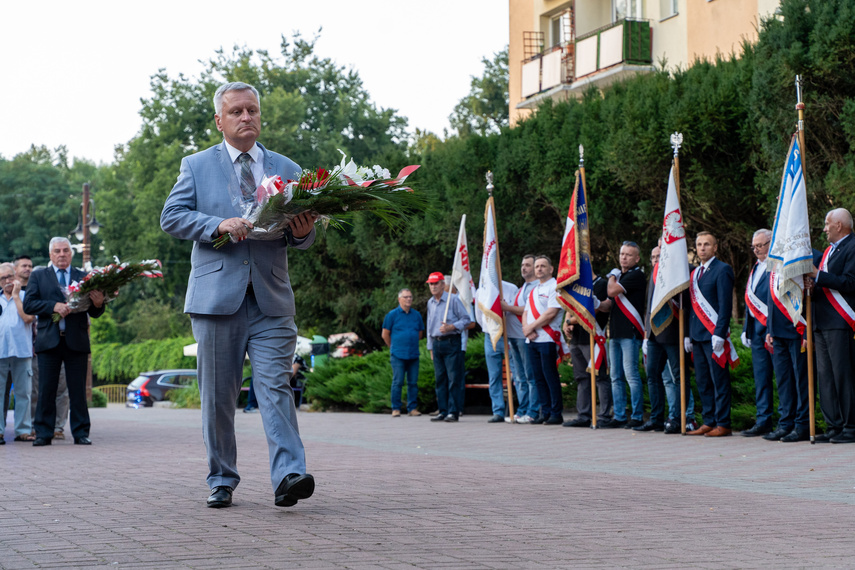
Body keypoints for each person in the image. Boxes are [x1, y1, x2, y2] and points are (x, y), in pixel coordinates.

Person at [160, 81, 318, 508]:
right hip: (216, 300)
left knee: (275, 388)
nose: (246, 117)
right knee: (218, 398)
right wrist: (217, 225)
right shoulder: (195, 165)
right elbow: (171, 216)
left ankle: (289, 474)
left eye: (252, 110)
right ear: (219, 120)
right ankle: (222, 477)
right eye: (236, 112)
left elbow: (303, 234)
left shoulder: (287, 166)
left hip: (271, 299)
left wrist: (305, 234)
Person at [22, 237, 106, 447]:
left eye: (65, 250)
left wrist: (98, 303)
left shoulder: (84, 277)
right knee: (46, 389)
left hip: (76, 341)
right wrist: (53, 306)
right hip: (48, 341)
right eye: (57, 251)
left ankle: (80, 433)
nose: (61, 254)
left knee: (77, 391)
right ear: (50, 254)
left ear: (71, 253)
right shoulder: (39, 275)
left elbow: (95, 312)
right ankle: (43, 433)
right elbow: (29, 304)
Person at [807, 208, 855, 443]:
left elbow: (850, 282)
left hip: (840, 321)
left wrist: (818, 275)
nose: (824, 229)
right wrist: (812, 285)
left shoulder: (853, 247)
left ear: (839, 225)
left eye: (827, 224)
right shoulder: (828, 251)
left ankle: (851, 426)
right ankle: (833, 425)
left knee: (843, 375)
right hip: (821, 321)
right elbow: (823, 283)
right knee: (825, 376)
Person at [686, 232, 735, 437]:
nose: (702, 248)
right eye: (699, 244)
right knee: (703, 381)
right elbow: (691, 307)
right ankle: (709, 420)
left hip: (714, 335)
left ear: (715, 248)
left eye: (707, 244)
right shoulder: (695, 273)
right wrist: (688, 335)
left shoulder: (722, 269)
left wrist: (720, 333)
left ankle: (723, 423)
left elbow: (725, 305)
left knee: (719, 380)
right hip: (697, 336)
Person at [641, 247, 696, 433]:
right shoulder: (655, 271)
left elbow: (689, 304)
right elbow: (649, 304)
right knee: (652, 375)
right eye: (655, 254)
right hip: (655, 334)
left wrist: (687, 333)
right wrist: (646, 333)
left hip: (675, 332)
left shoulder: (686, 269)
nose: (658, 258)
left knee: (679, 377)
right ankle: (656, 418)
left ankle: (681, 418)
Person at [602, 241, 646, 429]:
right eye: (621, 254)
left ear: (636, 258)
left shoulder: (636, 275)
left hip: (630, 333)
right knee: (615, 376)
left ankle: (636, 416)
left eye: (628, 255)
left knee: (631, 375)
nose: (623, 257)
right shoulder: (621, 276)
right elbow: (609, 302)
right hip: (616, 333)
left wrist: (612, 274)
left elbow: (611, 290)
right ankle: (619, 416)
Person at [562, 269, 613, 428]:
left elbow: (592, 310)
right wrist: (566, 323)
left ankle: (604, 416)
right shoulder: (575, 286)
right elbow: (569, 306)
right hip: (577, 338)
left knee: (600, 377)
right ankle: (584, 415)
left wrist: (570, 322)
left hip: (592, 337)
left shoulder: (601, 284)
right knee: (581, 378)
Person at [764, 267, 810, 442]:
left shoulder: (804, 257)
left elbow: (809, 297)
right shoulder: (774, 264)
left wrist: (806, 332)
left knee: (801, 381)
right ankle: (785, 424)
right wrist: (770, 329)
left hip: (797, 330)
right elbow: (772, 299)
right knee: (783, 381)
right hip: (778, 331)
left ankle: (802, 424)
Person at [523, 256, 566, 425]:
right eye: (537, 266)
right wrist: (526, 329)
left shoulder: (555, 287)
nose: (539, 269)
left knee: (550, 376)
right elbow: (526, 312)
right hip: (532, 339)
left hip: (547, 338)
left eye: (543, 266)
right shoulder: (533, 290)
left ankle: (556, 413)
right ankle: (545, 411)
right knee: (538, 377)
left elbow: (551, 313)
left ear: (551, 269)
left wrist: (531, 327)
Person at [740, 229, 775, 437]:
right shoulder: (756, 267)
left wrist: (770, 328)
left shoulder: (776, 266)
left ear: (771, 243)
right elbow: (749, 300)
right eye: (754, 246)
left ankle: (788, 420)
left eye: (760, 246)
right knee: (761, 379)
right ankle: (763, 420)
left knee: (782, 378)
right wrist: (746, 329)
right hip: (757, 332)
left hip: (773, 331)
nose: (756, 250)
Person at [425, 272, 471, 422]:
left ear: (443, 285)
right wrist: (430, 346)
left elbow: (466, 320)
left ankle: (453, 411)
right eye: (431, 284)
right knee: (440, 379)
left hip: (451, 341)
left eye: (436, 283)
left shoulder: (453, 300)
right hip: (437, 343)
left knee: (453, 378)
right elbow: (429, 325)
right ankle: (442, 410)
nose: (433, 286)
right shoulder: (430, 302)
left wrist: (452, 326)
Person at [500, 255, 540, 423]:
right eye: (522, 265)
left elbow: (529, 309)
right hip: (514, 336)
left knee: (530, 376)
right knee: (519, 377)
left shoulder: (537, 287)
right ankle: (522, 409)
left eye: (528, 265)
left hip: (526, 336)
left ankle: (532, 411)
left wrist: (508, 307)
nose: (524, 268)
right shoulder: (522, 287)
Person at [0, 262, 35, 443]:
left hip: (22, 352)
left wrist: (15, 297)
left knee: (23, 393)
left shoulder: (25, 296)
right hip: (0, 352)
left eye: (10, 277)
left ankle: (23, 430)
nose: (7, 281)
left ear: (16, 277)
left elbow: (28, 318)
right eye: (3, 278)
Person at [475, 279, 518, 423]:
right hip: (491, 336)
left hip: (509, 334)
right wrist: (489, 329)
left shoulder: (511, 288)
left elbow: (515, 310)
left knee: (517, 373)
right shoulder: (481, 290)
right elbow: (479, 316)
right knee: (494, 376)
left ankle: (521, 409)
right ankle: (498, 411)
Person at [382, 288, 425, 417]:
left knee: (413, 382)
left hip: (413, 354)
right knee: (398, 381)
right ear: (399, 299)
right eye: (406, 297)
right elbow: (385, 334)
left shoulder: (416, 315)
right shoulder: (392, 315)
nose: (409, 299)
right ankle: (396, 408)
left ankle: (412, 408)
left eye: (410, 297)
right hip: (397, 354)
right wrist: (393, 346)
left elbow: (420, 333)